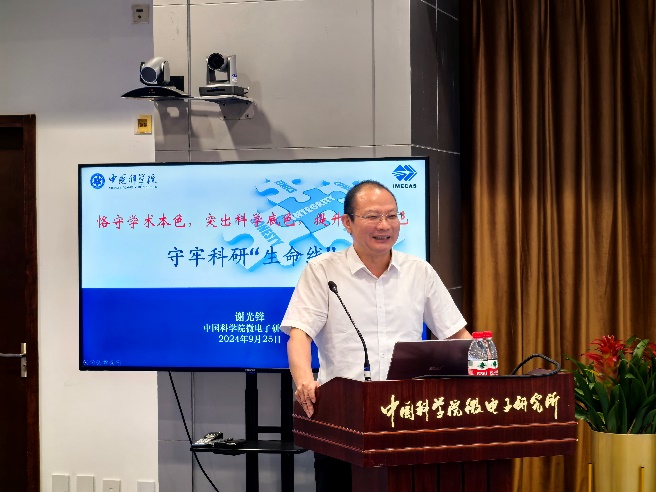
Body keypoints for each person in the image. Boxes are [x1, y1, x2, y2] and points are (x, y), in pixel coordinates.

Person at [280, 180, 470, 491]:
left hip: (408, 416)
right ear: (347, 223)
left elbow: (456, 333)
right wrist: (304, 382)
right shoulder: (322, 271)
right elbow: (299, 334)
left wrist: (484, 372)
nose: (385, 225)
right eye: (372, 216)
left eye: (392, 216)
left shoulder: (418, 271)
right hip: (342, 417)